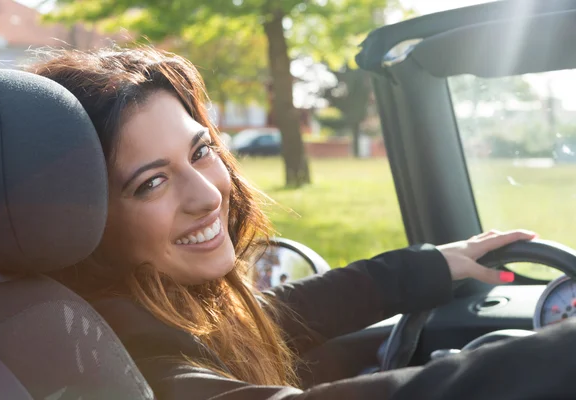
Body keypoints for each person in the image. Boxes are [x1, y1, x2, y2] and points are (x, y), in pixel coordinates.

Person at [28, 47, 576, 400]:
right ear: (89, 220)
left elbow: (270, 319)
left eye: (200, 151)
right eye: (151, 182)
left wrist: (425, 267)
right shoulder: (120, 359)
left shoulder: (104, 318)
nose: (205, 195)